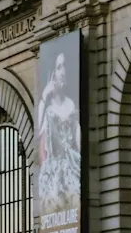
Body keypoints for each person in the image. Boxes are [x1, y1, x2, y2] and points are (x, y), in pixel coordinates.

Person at [36, 51, 81, 218]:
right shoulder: (46, 110)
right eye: (59, 67)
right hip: (53, 174)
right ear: (52, 73)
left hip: (72, 166)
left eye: (64, 66)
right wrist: (43, 97)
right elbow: (37, 133)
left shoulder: (72, 104)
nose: (63, 72)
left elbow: (78, 143)